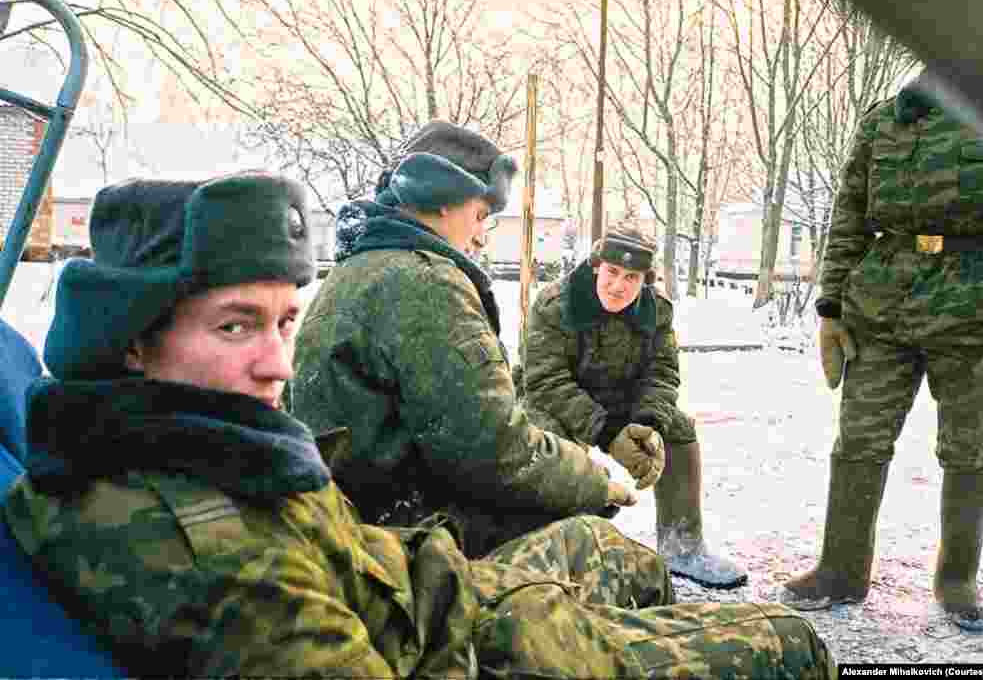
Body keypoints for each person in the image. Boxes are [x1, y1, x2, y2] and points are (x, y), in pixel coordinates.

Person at [2, 171, 836, 677]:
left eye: (285, 321)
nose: (277, 362)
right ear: (136, 342)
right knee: (788, 642)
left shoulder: (189, 442)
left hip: (438, 588)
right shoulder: (207, 551)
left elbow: (644, 375)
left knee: (611, 553)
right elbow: (503, 423)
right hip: (471, 646)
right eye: (234, 326)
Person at [291, 121, 649, 557]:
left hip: (349, 521)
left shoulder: (360, 269)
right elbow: (494, 454)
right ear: (441, 200)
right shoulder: (424, 281)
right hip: (397, 542)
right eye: (480, 216)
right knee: (612, 554)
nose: (481, 236)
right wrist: (597, 482)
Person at [780, 68, 983, 632]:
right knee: (860, 439)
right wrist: (832, 309)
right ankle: (840, 571)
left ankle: (957, 579)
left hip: (974, 310)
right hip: (880, 307)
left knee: (966, 447)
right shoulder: (886, 121)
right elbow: (849, 217)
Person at [521, 226, 748, 590]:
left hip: (621, 396)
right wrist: (609, 434)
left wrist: (647, 425)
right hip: (560, 397)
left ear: (645, 280)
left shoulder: (656, 311)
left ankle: (682, 546)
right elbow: (545, 382)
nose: (618, 286)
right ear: (597, 267)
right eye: (612, 272)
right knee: (545, 438)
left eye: (631, 277)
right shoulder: (554, 305)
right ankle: (550, 549)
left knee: (679, 427)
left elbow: (662, 373)